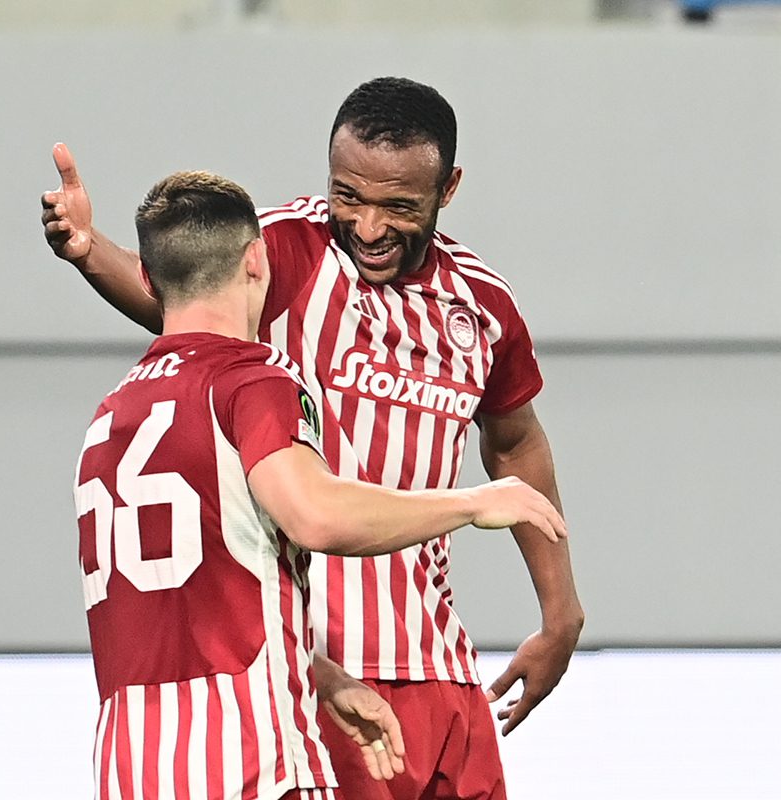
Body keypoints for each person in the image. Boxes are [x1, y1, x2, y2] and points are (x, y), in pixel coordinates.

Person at [47, 77, 584, 800]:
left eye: (399, 207)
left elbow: (515, 444)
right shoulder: (284, 250)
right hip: (316, 673)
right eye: (347, 196)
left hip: (440, 667)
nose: (368, 226)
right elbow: (185, 300)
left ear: (448, 188)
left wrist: (560, 610)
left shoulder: (482, 305)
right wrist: (91, 253)